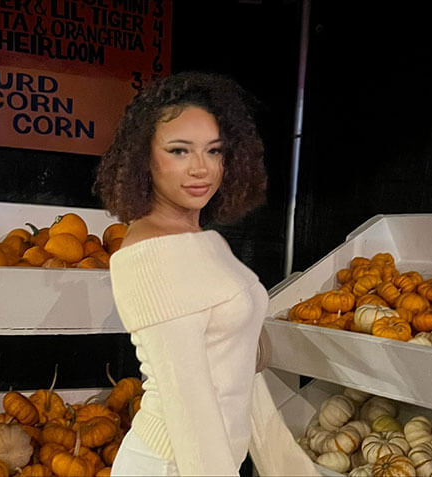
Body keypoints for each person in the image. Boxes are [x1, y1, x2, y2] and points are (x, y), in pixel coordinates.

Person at [94, 71, 319, 476]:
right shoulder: (149, 255)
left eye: (213, 151)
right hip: (173, 464)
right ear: (144, 156)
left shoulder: (203, 239)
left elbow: (236, 367)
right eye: (179, 151)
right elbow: (189, 407)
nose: (201, 168)